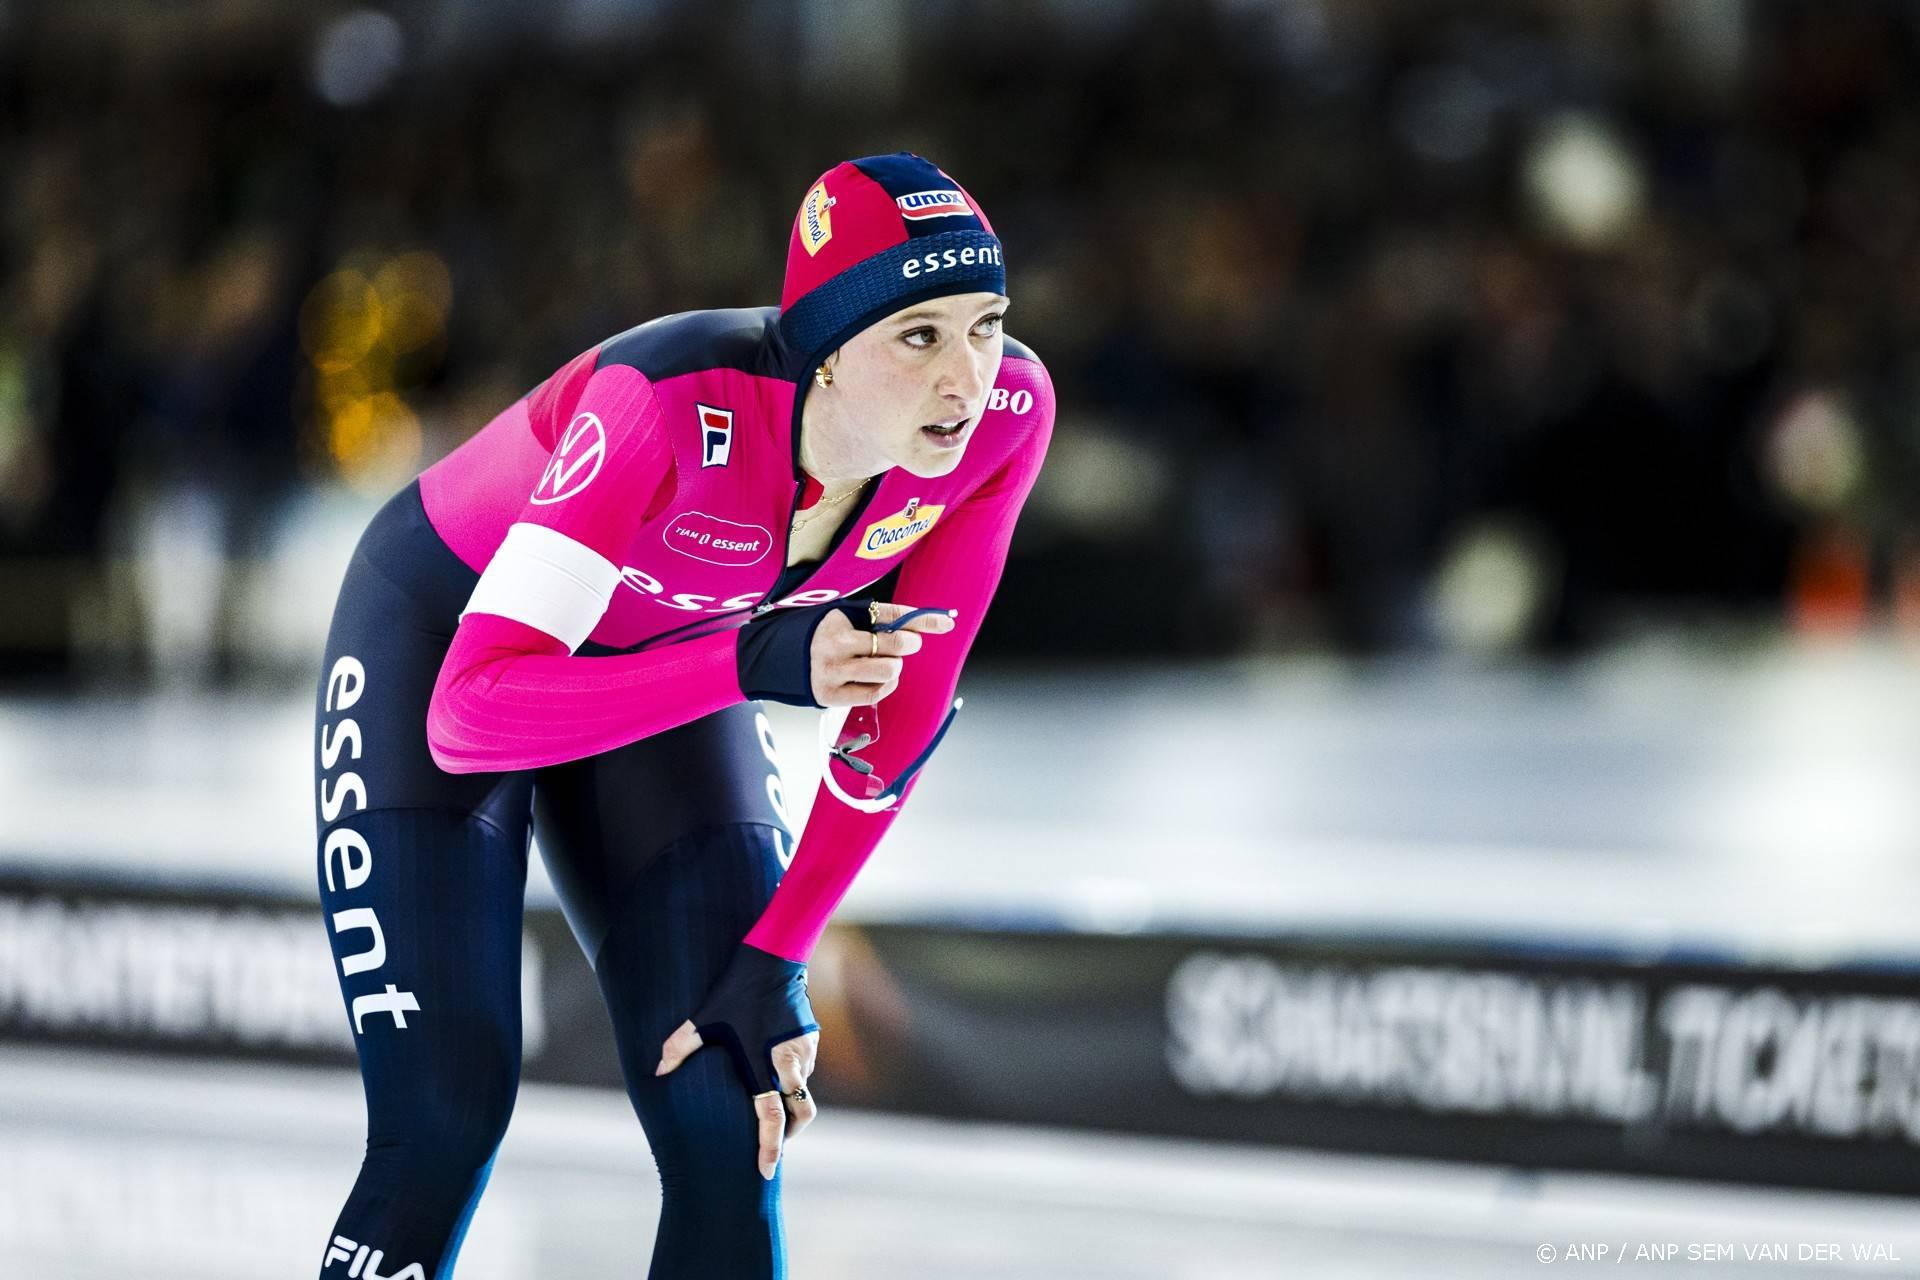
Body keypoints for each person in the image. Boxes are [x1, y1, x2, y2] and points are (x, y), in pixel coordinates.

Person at [312, 152, 1054, 1280]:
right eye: (920, 335)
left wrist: (780, 948)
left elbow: (891, 728)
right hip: (452, 643)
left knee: (728, 1110)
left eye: (986, 322)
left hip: (677, 656)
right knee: (445, 1111)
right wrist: (754, 660)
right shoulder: (667, 404)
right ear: (828, 342)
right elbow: (467, 713)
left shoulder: (1005, 417)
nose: (966, 376)